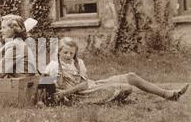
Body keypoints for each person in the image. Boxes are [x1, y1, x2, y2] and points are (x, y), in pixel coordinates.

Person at [41, 37, 189, 105]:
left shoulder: (78, 63)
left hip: (89, 87)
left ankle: (169, 94)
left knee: (131, 77)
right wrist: (54, 96)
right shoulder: (53, 66)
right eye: (65, 52)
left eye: (71, 53)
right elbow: (43, 84)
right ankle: (118, 99)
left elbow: (85, 83)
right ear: (58, 52)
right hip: (78, 96)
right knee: (126, 88)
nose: (68, 56)